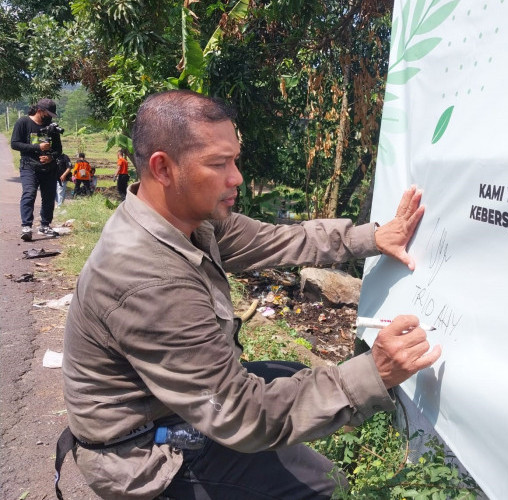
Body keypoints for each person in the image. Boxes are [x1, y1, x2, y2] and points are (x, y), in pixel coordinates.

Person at [58, 90, 441, 500]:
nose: (236, 177)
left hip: (169, 407)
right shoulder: (151, 281)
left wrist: (372, 236)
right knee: (327, 486)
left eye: (234, 160)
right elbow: (240, 413)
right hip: (143, 455)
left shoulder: (185, 220)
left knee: (290, 374)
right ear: (163, 169)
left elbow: (282, 240)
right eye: (219, 164)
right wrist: (375, 373)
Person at [11, 98, 63, 241]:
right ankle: (26, 226)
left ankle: (45, 225)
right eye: (48, 114)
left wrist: (51, 157)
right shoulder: (23, 122)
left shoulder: (52, 127)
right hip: (29, 166)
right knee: (29, 193)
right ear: (40, 111)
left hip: (49, 168)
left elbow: (58, 149)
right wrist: (37, 147)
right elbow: (15, 144)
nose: (49, 117)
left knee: (49, 196)